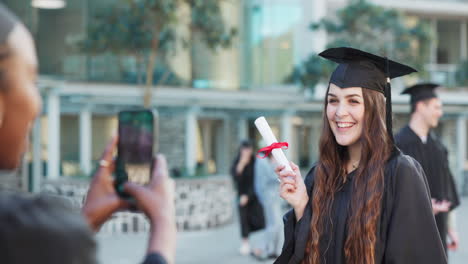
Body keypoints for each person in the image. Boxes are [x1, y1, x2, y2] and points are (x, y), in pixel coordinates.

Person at [0, 4, 175, 264]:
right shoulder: (19, 229)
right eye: (32, 79)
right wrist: (164, 226)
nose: (37, 103)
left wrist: (85, 220)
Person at [274, 47, 446, 264]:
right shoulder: (320, 175)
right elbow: (310, 254)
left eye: (353, 101)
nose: (339, 112)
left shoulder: (400, 173)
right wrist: (301, 205)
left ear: (374, 109)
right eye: (333, 100)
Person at [395, 83, 460, 253]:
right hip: (408, 230)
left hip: (438, 228)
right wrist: (423, 205)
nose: (440, 112)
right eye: (436, 107)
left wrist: (450, 228)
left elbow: (447, 188)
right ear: (420, 106)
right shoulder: (397, 145)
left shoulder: (438, 146)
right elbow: (390, 190)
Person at [231, 140, 265, 255]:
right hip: (241, 196)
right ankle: (245, 243)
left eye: (248, 149)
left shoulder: (256, 161)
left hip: (254, 194)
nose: (246, 152)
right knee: (243, 219)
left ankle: (261, 244)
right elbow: (235, 177)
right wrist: (241, 164)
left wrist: (248, 196)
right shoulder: (237, 161)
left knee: (260, 219)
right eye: (244, 149)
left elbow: (258, 179)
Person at [252, 156, 284, 260]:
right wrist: (276, 164)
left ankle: (274, 251)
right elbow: (272, 176)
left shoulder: (262, 160)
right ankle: (260, 249)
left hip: (272, 197)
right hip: (269, 198)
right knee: (274, 225)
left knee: (277, 225)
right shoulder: (262, 161)